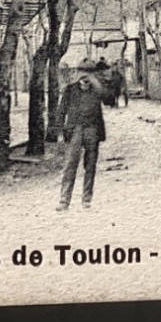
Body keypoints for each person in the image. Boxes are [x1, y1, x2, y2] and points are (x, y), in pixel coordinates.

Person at [57, 59, 109, 211]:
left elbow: (109, 99)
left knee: (90, 165)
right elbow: (61, 111)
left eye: (89, 73)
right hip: (75, 130)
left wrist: (97, 85)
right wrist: (59, 132)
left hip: (93, 130)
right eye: (83, 73)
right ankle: (64, 200)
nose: (85, 77)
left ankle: (87, 199)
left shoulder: (97, 89)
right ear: (78, 74)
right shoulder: (70, 90)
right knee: (70, 164)